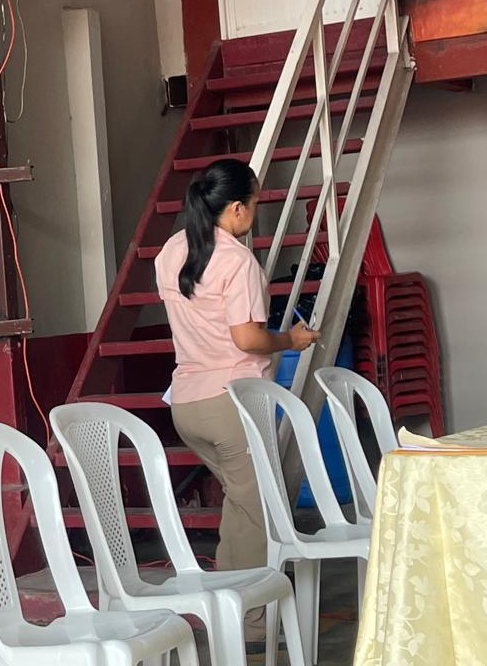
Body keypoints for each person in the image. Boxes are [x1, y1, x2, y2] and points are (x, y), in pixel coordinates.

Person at [154, 158, 319, 648]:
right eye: (254, 201)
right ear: (236, 209)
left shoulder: (172, 250)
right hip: (230, 405)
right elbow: (247, 339)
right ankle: (247, 626)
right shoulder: (237, 260)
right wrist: (290, 339)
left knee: (241, 506)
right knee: (255, 512)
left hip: (187, 404)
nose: (255, 210)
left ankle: (224, 607)